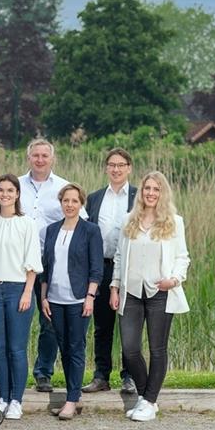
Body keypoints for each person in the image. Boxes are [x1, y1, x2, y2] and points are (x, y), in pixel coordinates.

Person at [110, 171, 190, 422]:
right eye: (147, 189)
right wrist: (115, 286)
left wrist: (174, 280)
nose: (151, 193)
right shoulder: (128, 220)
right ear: (141, 192)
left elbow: (182, 257)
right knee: (130, 349)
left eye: (156, 189)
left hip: (160, 291)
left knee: (158, 349)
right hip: (131, 292)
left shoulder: (174, 221)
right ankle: (147, 398)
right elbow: (119, 257)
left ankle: (149, 400)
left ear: (162, 192)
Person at [0, 174, 42, 420]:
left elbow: (32, 263)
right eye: (1, 190)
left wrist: (27, 292)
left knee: (16, 348)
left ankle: (16, 400)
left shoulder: (27, 223)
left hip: (17, 290)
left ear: (17, 194)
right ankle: (2, 397)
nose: (5, 194)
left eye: (10, 190)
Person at [19, 138, 86, 393]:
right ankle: (17, 372)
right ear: (29, 158)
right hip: (20, 264)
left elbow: (81, 223)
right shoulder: (16, 186)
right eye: (35, 155)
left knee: (50, 321)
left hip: (51, 264)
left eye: (44, 156)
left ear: (52, 158)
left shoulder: (63, 187)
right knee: (20, 318)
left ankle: (43, 371)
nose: (39, 160)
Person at [40, 183, 103, 420]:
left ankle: (71, 399)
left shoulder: (90, 230)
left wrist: (90, 296)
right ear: (60, 203)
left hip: (78, 299)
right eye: (66, 200)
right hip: (55, 300)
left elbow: (96, 268)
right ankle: (72, 396)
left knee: (76, 348)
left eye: (74, 201)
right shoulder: (52, 230)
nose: (69, 205)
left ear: (81, 204)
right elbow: (46, 266)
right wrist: (44, 296)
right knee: (64, 348)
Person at [83, 148, 138, 394]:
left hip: (130, 269)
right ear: (106, 168)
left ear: (129, 168)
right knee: (102, 326)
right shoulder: (94, 198)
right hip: (102, 268)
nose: (116, 169)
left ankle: (130, 376)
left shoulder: (139, 196)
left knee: (130, 324)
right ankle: (101, 376)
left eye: (121, 165)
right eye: (112, 165)